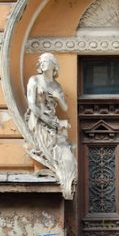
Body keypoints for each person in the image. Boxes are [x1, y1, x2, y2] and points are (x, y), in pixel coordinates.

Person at [25, 52, 76, 199]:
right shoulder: (34, 80)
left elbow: (65, 108)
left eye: (46, 61)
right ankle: (60, 176)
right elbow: (31, 105)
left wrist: (59, 98)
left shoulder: (56, 85)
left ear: (54, 65)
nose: (43, 63)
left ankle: (66, 179)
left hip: (52, 120)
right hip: (40, 121)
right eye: (41, 61)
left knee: (60, 147)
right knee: (51, 147)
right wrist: (47, 121)